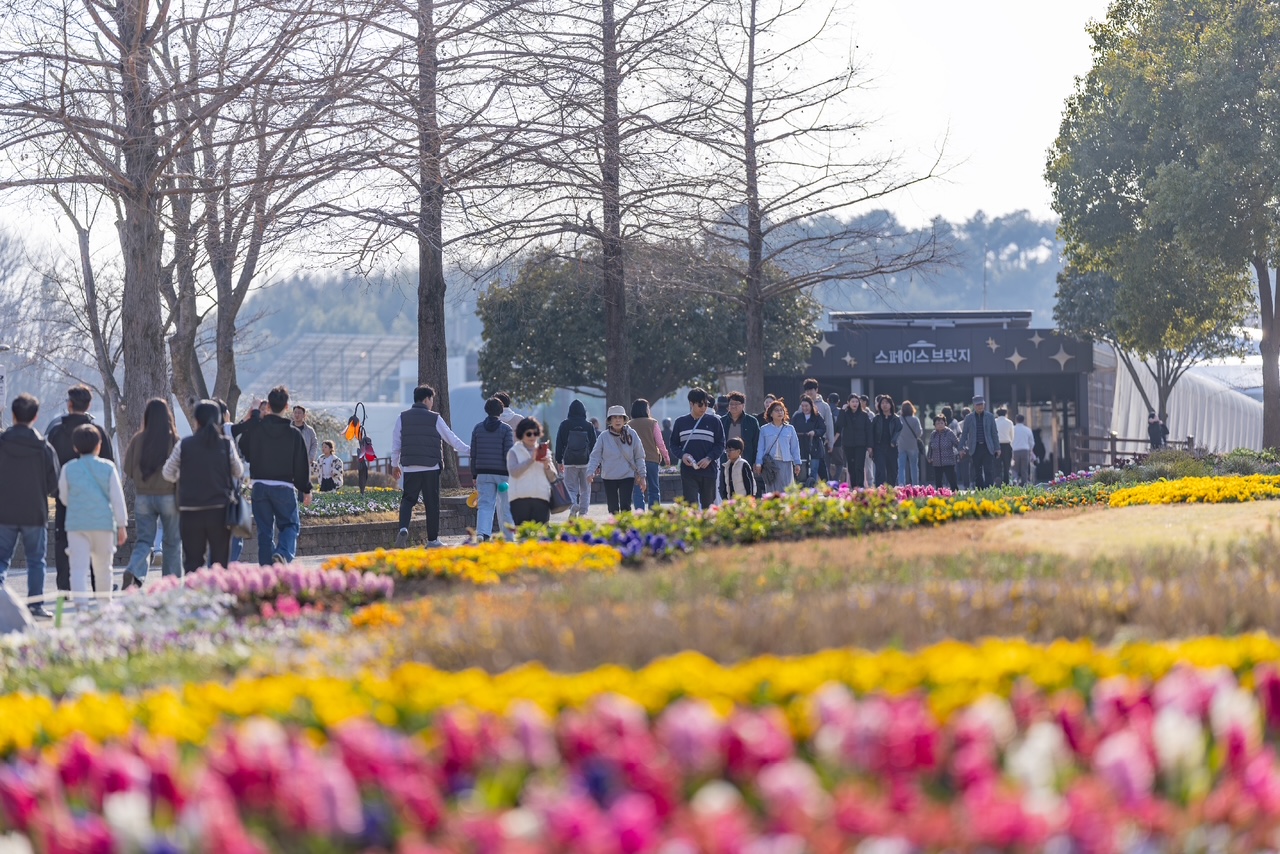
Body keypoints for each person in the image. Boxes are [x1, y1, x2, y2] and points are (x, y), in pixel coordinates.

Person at [162, 400, 244, 574]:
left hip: (190, 509)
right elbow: (238, 471)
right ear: (218, 420)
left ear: (196, 420)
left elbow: (167, 473)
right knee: (220, 562)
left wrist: (183, 477)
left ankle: (194, 597)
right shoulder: (226, 444)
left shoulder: (184, 445)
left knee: (193, 562)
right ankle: (218, 596)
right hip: (220, 509)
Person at [45, 385, 113, 593]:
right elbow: (109, 465)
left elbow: (47, 466)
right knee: (97, 549)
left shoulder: (55, 430)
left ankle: (65, 591)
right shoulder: (98, 431)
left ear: (69, 404)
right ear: (89, 404)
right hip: (96, 502)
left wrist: (56, 493)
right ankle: (99, 590)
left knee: (65, 544)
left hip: (66, 500)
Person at [0, 394, 60, 618]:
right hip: (34, 511)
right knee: (36, 560)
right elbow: (54, 484)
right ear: (35, 416)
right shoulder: (44, 447)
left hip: (3, 511)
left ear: (13, 415)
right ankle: (35, 604)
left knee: (1, 559)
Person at [240, 386, 314, 562]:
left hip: (259, 487)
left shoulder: (256, 430)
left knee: (265, 533)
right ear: (287, 407)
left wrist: (254, 415)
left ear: (268, 406)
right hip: (284, 487)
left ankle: (267, 575)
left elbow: (244, 449)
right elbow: (301, 466)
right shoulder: (294, 434)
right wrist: (306, 488)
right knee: (290, 525)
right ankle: (282, 553)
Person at [391, 384, 469, 549]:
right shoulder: (434, 418)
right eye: (432, 399)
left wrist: (394, 464)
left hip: (410, 467)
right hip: (430, 467)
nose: (432, 402)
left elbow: (396, 443)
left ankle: (404, 527)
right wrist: (470, 450)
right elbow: (451, 439)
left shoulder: (402, 417)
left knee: (408, 500)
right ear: (426, 399)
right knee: (431, 503)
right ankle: (432, 540)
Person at [59, 425, 127, 604]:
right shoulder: (108, 467)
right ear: (99, 445)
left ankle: (82, 609)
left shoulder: (68, 469)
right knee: (104, 569)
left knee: (78, 570)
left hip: (77, 525)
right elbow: (117, 499)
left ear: (75, 447)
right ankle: (105, 608)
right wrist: (122, 525)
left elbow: (64, 498)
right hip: (103, 525)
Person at [122, 398, 181, 585]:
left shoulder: (138, 439)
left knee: (144, 541)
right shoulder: (174, 440)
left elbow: (127, 470)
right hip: (169, 496)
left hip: (144, 496)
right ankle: (170, 583)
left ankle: (134, 569)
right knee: (172, 543)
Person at [470, 397, 515, 542]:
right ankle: (509, 537)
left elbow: (473, 453)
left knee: (485, 505)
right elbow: (508, 453)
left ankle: (482, 534)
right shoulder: (506, 429)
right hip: (503, 475)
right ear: (501, 411)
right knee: (506, 506)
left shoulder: (477, 428)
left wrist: (474, 474)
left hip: (483, 473)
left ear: (486, 410)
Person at [587, 405, 646, 514]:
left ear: (624, 420)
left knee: (625, 505)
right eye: (614, 417)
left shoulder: (632, 434)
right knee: (613, 508)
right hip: (609, 476)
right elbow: (595, 456)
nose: (617, 420)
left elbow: (639, 456)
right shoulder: (603, 437)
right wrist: (590, 472)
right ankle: (615, 529)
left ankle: (626, 529)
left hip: (627, 475)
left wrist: (642, 476)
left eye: (620, 417)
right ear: (610, 420)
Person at [672, 388, 725, 509]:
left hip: (709, 470)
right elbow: (674, 444)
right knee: (691, 505)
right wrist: (682, 455)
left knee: (708, 506)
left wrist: (709, 458)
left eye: (706, 404)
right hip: (688, 471)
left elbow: (720, 444)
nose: (704, 408)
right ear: (691, 404)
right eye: (700, 404)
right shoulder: (680, 422)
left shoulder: (714, 421)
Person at [507, 417, 557, 525]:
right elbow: (514, 473)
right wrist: (531, 460)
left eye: (535, 433)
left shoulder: (544, 451)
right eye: (529, 434)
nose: (533, 436)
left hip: (541, 498)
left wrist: (547, 465)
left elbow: (553, 477)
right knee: (523, 537)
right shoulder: (514, 452)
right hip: (520, 499)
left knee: (540, 537)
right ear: (521, 434)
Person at [555, 399, 598, 518]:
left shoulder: (565, 424)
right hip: (586, 462)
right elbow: (594, 445)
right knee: (585, 488)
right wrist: (596, 464)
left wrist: (559, 461)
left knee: (570, 488)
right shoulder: (588, 425)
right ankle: (583, 512)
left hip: (569, 462)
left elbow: (559, 443)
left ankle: (573, 504)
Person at [629, 399, 669, 511]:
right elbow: (660, 443)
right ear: (646, 409)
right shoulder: (652, 423)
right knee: (654, 489)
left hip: (635, 462)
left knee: (637, 490)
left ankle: (639, 513)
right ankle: (654, 514)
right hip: (652, 459)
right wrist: (666, 456)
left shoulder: (628, 425)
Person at [754, 400, 802, 492]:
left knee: (786, 490)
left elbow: (795, 447)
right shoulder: (764, 429)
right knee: (772, 490)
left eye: (781, 410)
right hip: (770, 464)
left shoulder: (790, 429)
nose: (779, 412)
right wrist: (758, 463)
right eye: (776, 410)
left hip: (786, 463)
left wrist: (797, 463)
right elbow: (760, 448)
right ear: (771, 414)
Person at [960, 395, 1001, 490]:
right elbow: (964, 434)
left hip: (988, 447)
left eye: (982, 404)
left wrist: (997, 448)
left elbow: (994, 433)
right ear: (974, 406)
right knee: (977, 472)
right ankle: (980, 490)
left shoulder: (990, 416)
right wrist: (961, 448)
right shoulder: (969, 418)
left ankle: (989, 490)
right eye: (978, 405)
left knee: (988, 470)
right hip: (975, 447)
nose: (980, 406)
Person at [835, 394, 873, 489]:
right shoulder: (845, 413)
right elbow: (839, 424)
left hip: (860, 444)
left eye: (856, 401)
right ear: (848, 403)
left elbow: (868, 430)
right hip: (848, 444)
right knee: (851, 467)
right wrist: (842, 411)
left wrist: (869, 445)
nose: (855, 403)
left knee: (859, 465)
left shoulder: (864, 415)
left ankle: (860, 486)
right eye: (852, 401)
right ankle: (854, 485)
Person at [800, 379, 835, 479]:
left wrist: (831, 442)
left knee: (821, 465)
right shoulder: (802, 405)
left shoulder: (824, 406)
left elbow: (829, 424)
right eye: (807, 390)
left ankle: (825, 485)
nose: (809, 392)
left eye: (811, 389)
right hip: (805, 439)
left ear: (816, 390)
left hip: (820, 440)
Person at [720, 391, 759, 479]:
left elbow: (756, 442)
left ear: (743, 405)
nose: (734, 406)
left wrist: (756, 461)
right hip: (726, 462)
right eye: (731, 404)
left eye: (737, 404)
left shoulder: (751, 421)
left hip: (745, 461)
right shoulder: (722, 421)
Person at [792, 397, 826, 487]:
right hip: (801, 446)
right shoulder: (797, 417)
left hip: (814, 447)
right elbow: (792, 429)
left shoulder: (817, 417)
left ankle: (812, 487)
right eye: (802, 406)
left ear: (811, 406)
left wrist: (814, 432)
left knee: (813, 469)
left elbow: (823, 429)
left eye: (806, 406)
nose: (804, 408)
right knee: (802, 469)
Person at [870, 396, 902, 487]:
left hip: (892, 447)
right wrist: (870, 447)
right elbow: (871, 433)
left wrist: (894, 441)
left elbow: (898, 431)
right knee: (880, 470)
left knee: (892, 470)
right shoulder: (876, 419)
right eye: (882, 403)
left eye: (887, 403)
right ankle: (880, 490)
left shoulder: (896, 419)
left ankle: (891, 489)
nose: (884, 405)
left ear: (891, 405)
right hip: (879, 447)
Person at [927, 414, 961, 491]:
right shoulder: (933, 434)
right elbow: (930, 447)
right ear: (934, 425)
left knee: (952, 480)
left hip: (949, 461)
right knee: (938, 481)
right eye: (938, 423)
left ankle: (955, 494)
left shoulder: (949, 433)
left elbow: (957, 443)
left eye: (942, 423)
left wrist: (961, 451)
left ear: (945, 423)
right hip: (937, 462)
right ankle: (940, 496)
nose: (940, 425)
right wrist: (929, 457)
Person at [896, 400, 923, 486]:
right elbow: (919, 433)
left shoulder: (899, 419)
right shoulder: (915, 420)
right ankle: (915, 485)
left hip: (901, 445)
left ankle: (901, 484)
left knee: (901, 467)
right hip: (913, 446)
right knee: (914, 466)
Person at [292, 405, 319, 470]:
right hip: (290, 462)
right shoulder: (287, 428)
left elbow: (314, 444)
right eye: (295, 412)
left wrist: (311, 458)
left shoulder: (309, 430)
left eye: (299, 413)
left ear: (304, 415)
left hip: (304, 462)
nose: (297, 415)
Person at [826, 392, 846, 482]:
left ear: (827, 400)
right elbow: (840, 428)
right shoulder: (840, 412)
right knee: (839, 463)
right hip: (837, 441)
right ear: (838, 402)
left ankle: (829, 480)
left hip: (825, 440)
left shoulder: (824, 410)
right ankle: (836, 480)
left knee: (826, 463)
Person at [1012, 414, 1036, 485]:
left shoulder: (1012, 429)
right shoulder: (1027, 430)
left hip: (1015, 450)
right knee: (1024, 469)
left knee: (1014, 468)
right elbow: (1031, 442)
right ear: (1023, 420)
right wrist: (1030, 449)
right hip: (1025, 450)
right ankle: (1024, 483)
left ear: (1016, 420)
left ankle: (1015, 481)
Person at [995, 407, 1015, 485]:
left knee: (997, 465)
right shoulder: (1009, 422)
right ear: (1006, 414)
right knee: (1007, 466)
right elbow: (1012, 436)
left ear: (997, 414)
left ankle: (998, 481)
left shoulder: (994, 422)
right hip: (1007, 445)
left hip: (997, 446)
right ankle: (1006, 483)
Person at [956, 406, 973, 489]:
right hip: (973, 447)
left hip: (963, 448)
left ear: (962, 415)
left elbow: (958, 436)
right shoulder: (974, 423)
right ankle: (973, 482)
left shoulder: (959, 424)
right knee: (974, 466)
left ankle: (966, 485)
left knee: (965, 468)